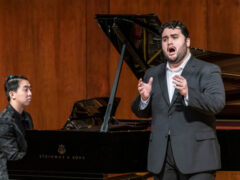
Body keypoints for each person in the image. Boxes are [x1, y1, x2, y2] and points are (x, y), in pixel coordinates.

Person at [131, 21, 225, 180]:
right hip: (162, 158)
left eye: (175, 37)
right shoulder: (152, 74)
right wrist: (144, 99)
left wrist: (189, 93)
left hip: (198, 157)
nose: (169, 42)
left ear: (187, 42)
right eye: (165, 39)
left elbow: (217, 103)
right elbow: (139, 112)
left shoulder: (207, 70)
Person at [0, 75, 34, 180]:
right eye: (26, 89)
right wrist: (36, 158)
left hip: (24, 169)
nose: (30, 93)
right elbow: (12, 156)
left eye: (30, 89)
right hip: (8, 174)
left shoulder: (27, 117)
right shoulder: (4, 120)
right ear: (12, 94)